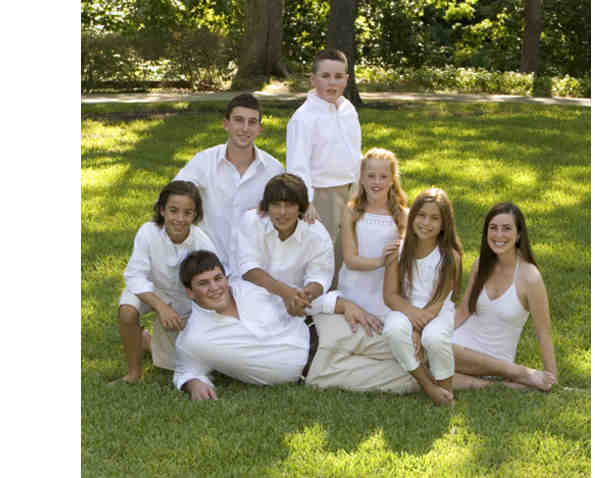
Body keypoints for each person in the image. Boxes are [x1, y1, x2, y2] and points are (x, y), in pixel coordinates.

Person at [173, 250, 380, 401]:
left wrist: (344, 305)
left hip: (325, 328)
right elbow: (185, 370)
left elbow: (296, 300)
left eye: (218, 278)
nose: (215, 288)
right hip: (321, 371)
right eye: (203, 283)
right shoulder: (194, 339)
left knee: (393, 341)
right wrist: (193, 383)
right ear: (190, 292)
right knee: (397, 379)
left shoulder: (247, 289)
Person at [305, 148, 422, 394]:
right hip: (356, 288)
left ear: (392, 180)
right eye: (371, 176)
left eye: (383, 177)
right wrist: (382, 260)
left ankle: (407, 366)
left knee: (390, 338)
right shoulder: (353, 211)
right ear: (362, 178)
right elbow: (351, 259)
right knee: (354, 335)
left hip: (386, 292)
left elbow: (408, 255)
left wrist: (397, 253)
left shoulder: (402, 215)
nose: (376, 182)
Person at [116, 180, 217, 383]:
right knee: (127, 312)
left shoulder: (202, 243)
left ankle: (145, 340)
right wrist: (161, 307)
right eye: (173, 210)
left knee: (173, 363)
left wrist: (197, 320)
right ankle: (133, 373)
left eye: (187, 213)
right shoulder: (147, 232)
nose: (179, 219)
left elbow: (211, 287)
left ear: (195, 215)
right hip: (149, 290)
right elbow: (135, 276)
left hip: (184, 300)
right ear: (162, 210)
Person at [451, 202, 558, 391]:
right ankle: (504, 384)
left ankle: (517, 373)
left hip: (495, 358)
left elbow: (543, 332)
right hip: (459, 344)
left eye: (507, 228)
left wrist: (551, 377)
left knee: (435, 355)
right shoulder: (481, 264)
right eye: (493, 228)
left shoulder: (530, 277)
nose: (498, 235)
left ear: (519, 234)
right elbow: (464, 310)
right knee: (429, 356)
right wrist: (438, 332)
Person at [174, 93, 284, 278]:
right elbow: (174, 195)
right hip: (208, 268)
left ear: (260, 128)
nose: (245, 128)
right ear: (226, 124)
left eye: (252, 122)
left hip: (254, 269)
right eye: (238, 120)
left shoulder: (273, 169)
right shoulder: (204, 161)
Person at [285, 48, 362, 286]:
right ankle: (316, 297)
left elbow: (354, 150)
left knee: (346, 248)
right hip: (321, 194)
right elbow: (298, 164)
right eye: (325, 76)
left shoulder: (348, 109)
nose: (332, 82)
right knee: (321, 251)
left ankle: (340, 294)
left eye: (338, 77)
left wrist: (361, 186)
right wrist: (305, 201)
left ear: (346, 79)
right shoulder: (304, 118)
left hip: (351, 189)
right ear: (313, 79)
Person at [383, 188, 463, 406]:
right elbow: (390, 295)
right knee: (394, 330)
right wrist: (411, 320)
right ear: (412, 217)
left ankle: (446, 390)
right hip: (404, 307)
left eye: (435, 218)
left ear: (444, 224)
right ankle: (428, 385)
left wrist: (418, 330)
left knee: (434, 338)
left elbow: (438, 301)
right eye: (421, 215)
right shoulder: (398, 251)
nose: (426, 223)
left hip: (436, 311)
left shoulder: (450, 257)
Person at [237, 173, 335, 317]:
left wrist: (304, 298)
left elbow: (320, 276)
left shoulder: (317, 234)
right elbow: (248, 267)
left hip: (298, 300)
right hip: (255, 296)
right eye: (276, 205)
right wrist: (284, 292)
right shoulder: (251, 221)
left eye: (289, 205)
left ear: (301, 207)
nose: (282, 213)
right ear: (267, 206)